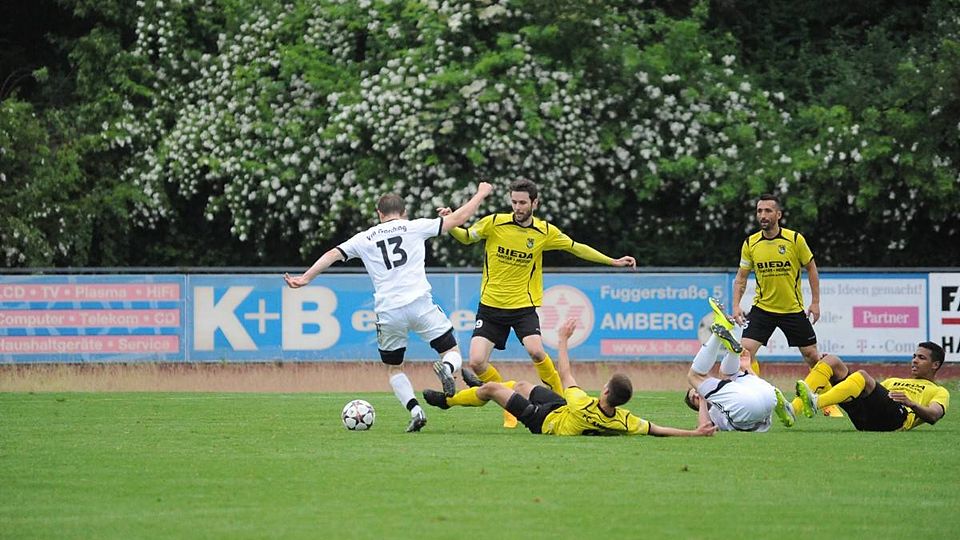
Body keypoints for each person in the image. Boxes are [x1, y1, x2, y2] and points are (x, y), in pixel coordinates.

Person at [284, 182, 493, 432]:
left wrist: (305, 278)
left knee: (394, 368)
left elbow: (332, 254)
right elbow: (458, 218)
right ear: (403, 212)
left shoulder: (364, 238)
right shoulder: (414, 226)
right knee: (451, 351)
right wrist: (481, 194)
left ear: (379, 213)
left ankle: (416, 411)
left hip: (389, 311)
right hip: (419, 304)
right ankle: (447, 369)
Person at [437, 178, 636, 427]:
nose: (517, 207)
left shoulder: (544, 232)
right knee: (476, 362)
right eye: (514, 202)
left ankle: (562, 400)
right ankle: (508, 403)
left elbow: (577, 248)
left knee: (536, 351)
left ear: (535, 203)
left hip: (523, 306)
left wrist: (612, 261)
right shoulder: (495, 222)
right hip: (490, 306)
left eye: (522, 203)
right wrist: (451, 223)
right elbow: (467, 237)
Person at [423, 318, 717, 438]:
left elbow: (565, 372)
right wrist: (694, 433)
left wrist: (563, 339)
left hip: (543, 421)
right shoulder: (623, 420)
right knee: (522, 385)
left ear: (605, 391)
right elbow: (656, 429)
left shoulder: (581, 403)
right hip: (560, 410)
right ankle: (480, 388)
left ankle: (449, 401)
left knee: (490, 390)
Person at [731, 193, 841, 417]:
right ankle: (756, 397)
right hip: (763, 309)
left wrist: (816, 302)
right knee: (745, 352)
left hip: (792, 309)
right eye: (759, 211)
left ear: (778, 214)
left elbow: (811, 268)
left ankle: (826, 402)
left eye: (768, 211)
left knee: (812, 356)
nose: (763, 215)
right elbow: (741, 278)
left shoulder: (794, 239)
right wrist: (736, 305)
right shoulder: (751, 243)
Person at [683, 298, 796, 432]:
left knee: (698, 376)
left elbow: (754, 388)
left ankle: (725, 340)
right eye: (694, 399)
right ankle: (730, 339)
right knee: (713, 376)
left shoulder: (726, 392)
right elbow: (705, 426)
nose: (697, 394)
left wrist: (747, 368)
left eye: (695, 391)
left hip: (756, 401)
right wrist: (702, 398)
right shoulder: (712, 413)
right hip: (767, 396)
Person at [795, 343, 949, 431]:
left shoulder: (938, 391)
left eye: (921, 358)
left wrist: (911, 403)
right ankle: (792, 409)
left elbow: (934, 416)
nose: (914, 360)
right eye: (914, 356)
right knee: (832, 361)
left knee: (862, 375)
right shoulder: (892, 381)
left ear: (935, 365)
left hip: (896, 421)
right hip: (865, 420)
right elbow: (860, 392)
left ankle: (816, 402)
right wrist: (829, 376)